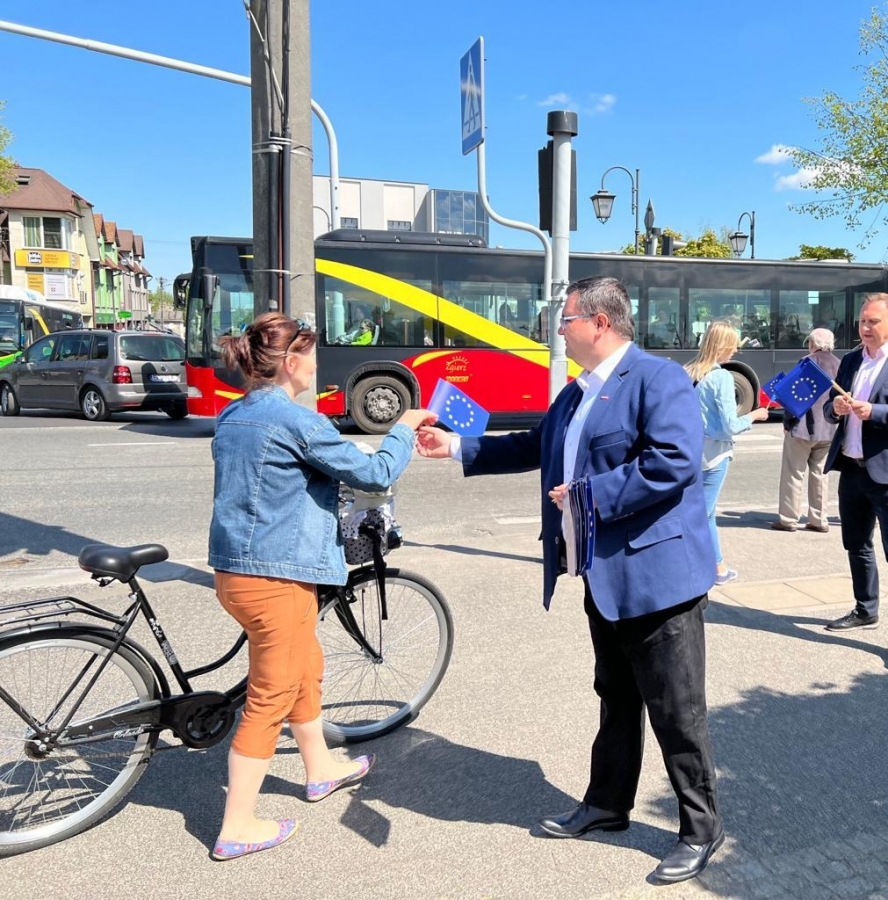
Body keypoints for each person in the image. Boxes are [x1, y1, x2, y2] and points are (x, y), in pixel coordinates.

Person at [417, 276, 723, 885]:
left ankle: (700, 828)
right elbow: (535, 444)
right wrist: (454, 447)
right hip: (602, 575)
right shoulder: (577, 391)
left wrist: (591, 495)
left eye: (566, 320)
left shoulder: (658, 378)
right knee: (616, 698)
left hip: (658, 579)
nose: (558, 330)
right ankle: (608, 804)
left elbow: (673, 462)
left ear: (600, 323)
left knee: (676, 711)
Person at [208, 312, 435, 860]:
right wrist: (404, 428)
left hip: (236, 571)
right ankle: (237, 825)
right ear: (290, 362)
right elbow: (377, 474)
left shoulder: (235, 414)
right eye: (310, 356)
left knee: (305, 666)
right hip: (277, 576)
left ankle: (320, 768)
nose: (316, 366)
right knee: (270, 696)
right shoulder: (296, 421)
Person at [821, 293, 888, 631]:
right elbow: (829, 407)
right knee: (857, 544)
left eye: (873, 322)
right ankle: (865, 609)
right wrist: (835, 409)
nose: (865, 328)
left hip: (885, 473)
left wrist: (873, 411)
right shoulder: (850, 360)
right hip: (851, 469)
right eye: (863, 321)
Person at [684, 320, 769, 584]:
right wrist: (755, 415)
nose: (735, 351)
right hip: (714, 455)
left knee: (699, 510)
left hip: (690, 453)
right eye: (732, 345)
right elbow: (730, 426)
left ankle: (713, 564)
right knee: (704, 513)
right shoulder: (721, 377)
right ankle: (713, 567)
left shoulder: (688, 371)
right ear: (722, 346)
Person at [771, 328, 840, 532]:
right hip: (829, 430)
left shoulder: (807, 362)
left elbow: (793, 396)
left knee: (794, 473)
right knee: (820, 474)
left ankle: (788, 519)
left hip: (803, 429)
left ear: (812, 344)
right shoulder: (840, 364)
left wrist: (787, 423)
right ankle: (819, 520)